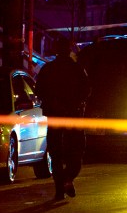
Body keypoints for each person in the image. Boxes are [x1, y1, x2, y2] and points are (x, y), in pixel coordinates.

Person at [36, 39, 92, 201]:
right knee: (76, 152)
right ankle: (67, 179)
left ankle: (60, 188)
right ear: (69, 51)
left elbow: (39, 91)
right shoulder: (77, 69)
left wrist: (53, 102)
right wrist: (75, 104)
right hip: (73, 117)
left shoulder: (48, 69)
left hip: (54, 117)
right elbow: (86, 90)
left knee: (56, 154)